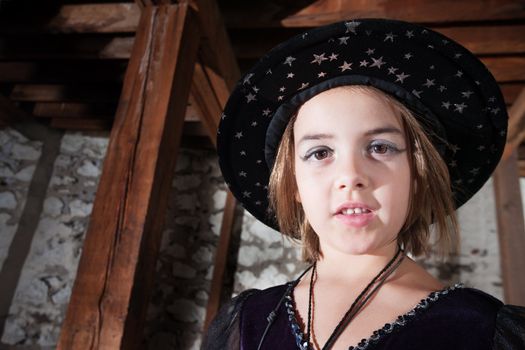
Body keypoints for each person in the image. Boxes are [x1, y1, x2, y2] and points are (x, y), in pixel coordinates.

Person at [203, 18, 525, 349]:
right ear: (294, 184)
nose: (351, 176)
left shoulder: (484, 331)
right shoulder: (245, 322)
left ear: (417, 175)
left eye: (380, 148)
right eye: (320, 152)